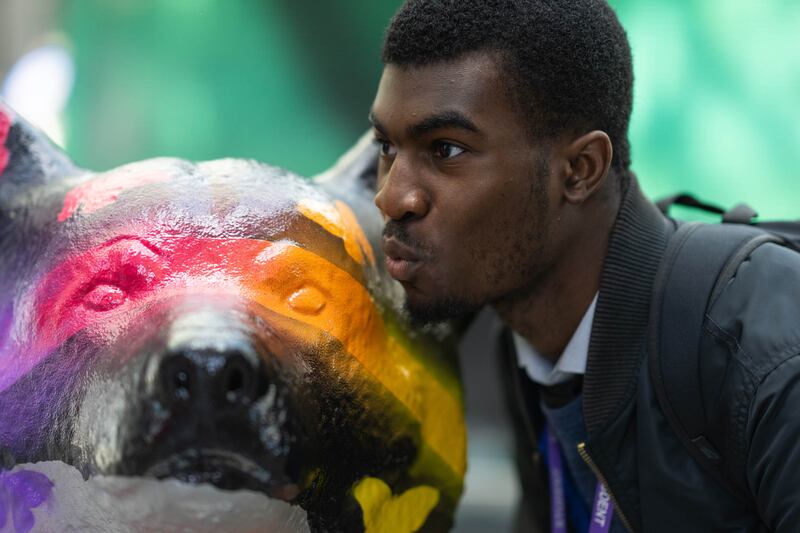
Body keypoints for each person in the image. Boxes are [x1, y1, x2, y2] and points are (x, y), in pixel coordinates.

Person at [368, 1, 800, 532]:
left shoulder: (760, 349)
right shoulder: (527, 343)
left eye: (447, 150)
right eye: (385, 146)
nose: (392, 196)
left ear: (579, 170)